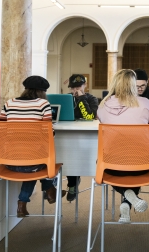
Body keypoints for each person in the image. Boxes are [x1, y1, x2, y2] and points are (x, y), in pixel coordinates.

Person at [97, 69, 149, 223]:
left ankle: (127, 198)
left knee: (110, 167)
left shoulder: (103, 106)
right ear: (133, 85)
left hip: (111, 164)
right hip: (142, 164)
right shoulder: (145, 103)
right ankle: (129, 198)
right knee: (134, 166)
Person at [0, 75, 65, 218]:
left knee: (32, 162)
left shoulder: (9, 103)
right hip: (33, 163)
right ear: (43, 92)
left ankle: (26, 202)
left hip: (10, 160)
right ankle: (49, 190)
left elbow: (1, 130)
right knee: (39, 162)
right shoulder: (43, 104)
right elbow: (48, 134)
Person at [66, 74, 99, 202]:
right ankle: (71, 183)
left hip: (86, 137)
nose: (75, 90)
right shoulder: (67, 98)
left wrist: (81, 98)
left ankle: (73, 184)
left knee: (74, 155)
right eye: (73, 88)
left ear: (85, 85)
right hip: (69, 135)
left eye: (78, 87)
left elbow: (89, 116)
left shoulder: (91, 99)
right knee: (67, 154)